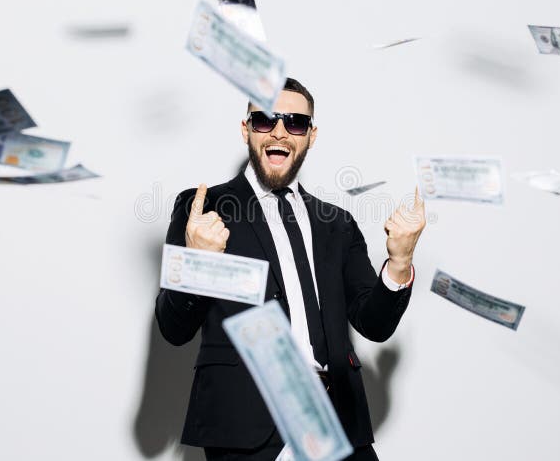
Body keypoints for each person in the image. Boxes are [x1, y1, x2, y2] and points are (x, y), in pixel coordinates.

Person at [155, 78, 426, 460]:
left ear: (311, 136)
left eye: (295, 122)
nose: (279, 131)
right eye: (265, 119)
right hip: (247, 429)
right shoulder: (203, 209)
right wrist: (199, 262)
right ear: (246, 128)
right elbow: (173, 328)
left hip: (339, 424)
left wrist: (400, 263)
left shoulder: (338, 223)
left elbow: (374, 324)